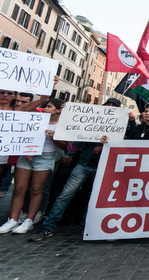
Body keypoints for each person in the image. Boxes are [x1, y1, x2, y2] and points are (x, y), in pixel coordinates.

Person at [28, 99, 125, 242]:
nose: (110, 108)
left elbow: (127, 139)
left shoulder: (122, 124)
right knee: (64, 195)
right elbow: (75, 142)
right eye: (108, 106)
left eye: (114, 107)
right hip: (84, 163)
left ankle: (86, 225)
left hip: (104, 166)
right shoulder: (91, 122)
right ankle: (48, 226)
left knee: (94, 199)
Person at [0, 98, 66, 234]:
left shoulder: (62, 124)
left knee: (36, 190)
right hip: (26, 156)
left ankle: (29, 220)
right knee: (18, 189)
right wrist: (27, 150)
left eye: (49, 106)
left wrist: (54, 137)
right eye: (46, 106)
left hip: (45, 157)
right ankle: (13, 219)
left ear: (58, 110)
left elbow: (64, 146)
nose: (45, 109)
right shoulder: (37, 118)